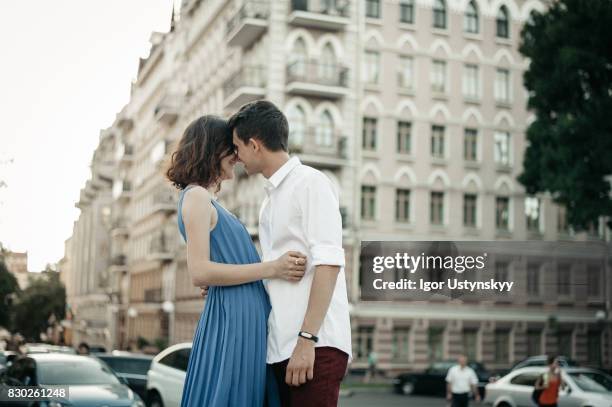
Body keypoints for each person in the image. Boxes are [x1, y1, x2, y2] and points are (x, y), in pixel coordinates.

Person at [166, 115, 307, 407]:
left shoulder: (206, 199)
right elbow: (200, 271)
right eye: (231, 147)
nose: (236, 155)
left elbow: (214, 265)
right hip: (233, 318)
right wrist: (274, 268)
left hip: (241, 313)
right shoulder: (195, 197)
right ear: (212, 149)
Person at [228, 100, 352, 407]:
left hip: (314, 347)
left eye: (237, 147)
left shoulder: (310, 183)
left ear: (254, 145)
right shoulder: (270, 201)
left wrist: (307, 340)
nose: (236, 157)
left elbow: (329, 263)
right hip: (283, 347)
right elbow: (275, 278)